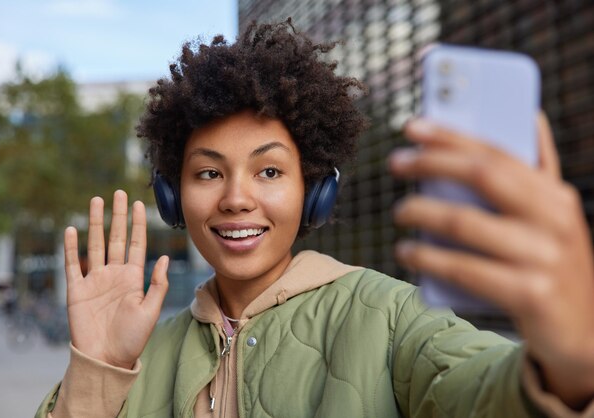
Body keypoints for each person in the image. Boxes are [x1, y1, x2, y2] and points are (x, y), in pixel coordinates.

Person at [36, 19, 594, 417]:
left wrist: (566, 370)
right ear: (172, 197)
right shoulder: (138, 358)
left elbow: (485, 390)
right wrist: (98, 371)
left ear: (316, 190)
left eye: (270, 172)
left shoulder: (392, 316)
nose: (235, 198)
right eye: (208, 173)